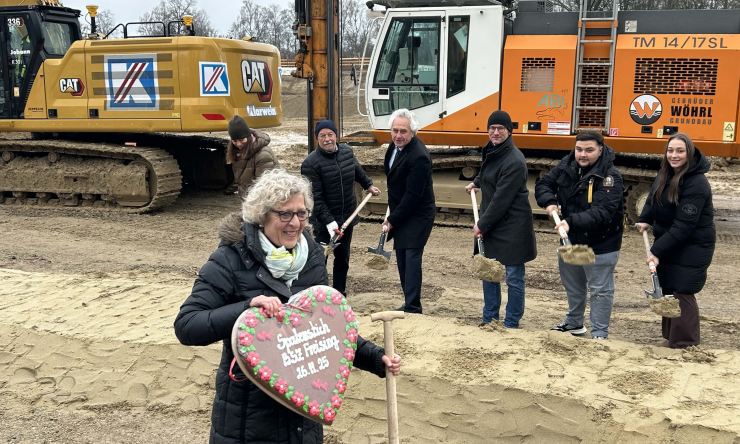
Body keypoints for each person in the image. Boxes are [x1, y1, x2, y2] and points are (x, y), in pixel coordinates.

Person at [174, 169, 401, 443]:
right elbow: (188, 326)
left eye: (301, 213)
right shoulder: (230, 259)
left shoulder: (312, 257)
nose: (295, 223)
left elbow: (325, 327)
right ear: (262, 216)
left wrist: (375, 357)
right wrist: (247, 308)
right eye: (285, 214)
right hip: (249, 421)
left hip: (302, 417)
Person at [535, 131, 624, 340]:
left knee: (600, 290)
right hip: (572, 241)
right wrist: (549, 201)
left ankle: (599, 334)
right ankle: (574, 323)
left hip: (600, 243)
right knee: (574, 285)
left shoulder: (610, 177)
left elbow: (603, 212)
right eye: (579, 149)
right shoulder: (567, 165)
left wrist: (570, 222)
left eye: (589, 150)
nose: (583, 154)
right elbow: (544, 184)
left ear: (600, 150)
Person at [635, 133, 715, 348]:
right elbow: (652, 198)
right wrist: (645, 218)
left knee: (682, 289)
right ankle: (671, 336)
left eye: (680, 151)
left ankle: (685, 342)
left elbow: (684, 226)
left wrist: (655, 251)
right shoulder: (665, 173)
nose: (674, 155)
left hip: (693, 245)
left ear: (689, 153)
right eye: (670, 151)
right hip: (670, 241)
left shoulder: (697, 183)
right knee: (668, 287)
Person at [465, 110, 537, 328]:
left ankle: (511, 321)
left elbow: (501, 200)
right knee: (489, 271)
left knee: (513, 277)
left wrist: (482, 224)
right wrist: (477, 182)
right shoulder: (492, 150)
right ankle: (490, 318)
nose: (495, 132)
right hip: (494, 223)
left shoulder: (515, 160)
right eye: (492, 128)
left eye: (500, 129)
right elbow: (488, 170)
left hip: (513, 225)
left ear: (509, 131)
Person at [300, 119, 381, 296]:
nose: (327, 139)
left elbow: (356, 170)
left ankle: (339, 293)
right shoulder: (310, 164)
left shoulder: (346, 152)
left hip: (347, 217)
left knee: (343, 258)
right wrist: (329, 222)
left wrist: (368, 184)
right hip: (324, 222)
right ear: (317, 138)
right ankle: (317, 295)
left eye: (330, 134)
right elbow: (315, 198)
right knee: (320, 259)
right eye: (322, 136)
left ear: (336, 136)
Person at [382, 108, 436, 314]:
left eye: (403, 131)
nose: (398, 135)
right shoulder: (394, 147)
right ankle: (409, 301)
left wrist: (392, 219)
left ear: (413, 132)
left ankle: (413, 307)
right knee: (402, 256)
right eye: (395, 130)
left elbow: (413, 196)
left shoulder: (419, 156)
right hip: (402, 210)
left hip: (418, 214)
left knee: (411, 256)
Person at [225, 115, 278, 197]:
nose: (238, 144)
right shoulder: (236, 152)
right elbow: (242, 177)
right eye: (234, 141)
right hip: (249, 199)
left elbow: (265, 188)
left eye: (242, 140)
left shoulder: (263, 155)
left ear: (249, 137)